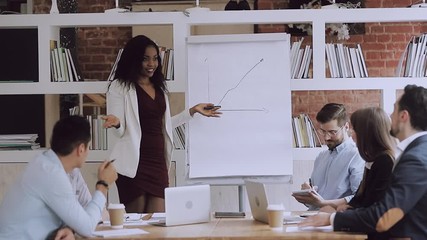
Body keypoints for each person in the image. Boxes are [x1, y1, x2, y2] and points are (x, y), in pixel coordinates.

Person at [102, 35, 221, 213]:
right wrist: (118, 123)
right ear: (134, 59)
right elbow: (120, 132)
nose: (152, 64)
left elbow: (162, 126)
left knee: (158, 221)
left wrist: (192, 111)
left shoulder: (158, 87)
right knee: (137, 225)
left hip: (157, 163)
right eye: (145, 59)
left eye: (155, 58)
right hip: (134, 165)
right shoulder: (120, 87)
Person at [299, 85, 427, 239]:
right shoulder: (414, 152)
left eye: (394, 110)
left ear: (404, 116)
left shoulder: (416, 159)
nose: (390, 116)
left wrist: (332, 218)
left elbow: (384, 216)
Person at [0, 116, 118, 239]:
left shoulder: (45, 164)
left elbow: (77, 216)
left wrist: (70, 228)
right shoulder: (51, 174)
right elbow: (87, 228)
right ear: (81, 149)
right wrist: (103, 184)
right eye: (88, 147)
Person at [292, 103, 364, 210]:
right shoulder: (321, 157)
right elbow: (315, 200)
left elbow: (358, 199)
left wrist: (323, 203)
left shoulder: (357, 155)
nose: (326, 137)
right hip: (312, 216)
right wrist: (307, 194)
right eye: (323, 131)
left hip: (336, 220)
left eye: (332, 132)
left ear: (346, 127)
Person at [336, 107, 395, 213]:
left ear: (367, 133)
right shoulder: (373, 160)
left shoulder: (385, 162)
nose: (351, 134)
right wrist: (347, 207)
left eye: (354, 130)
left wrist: (335, 218)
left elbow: (373, 206)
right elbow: (360, 199)